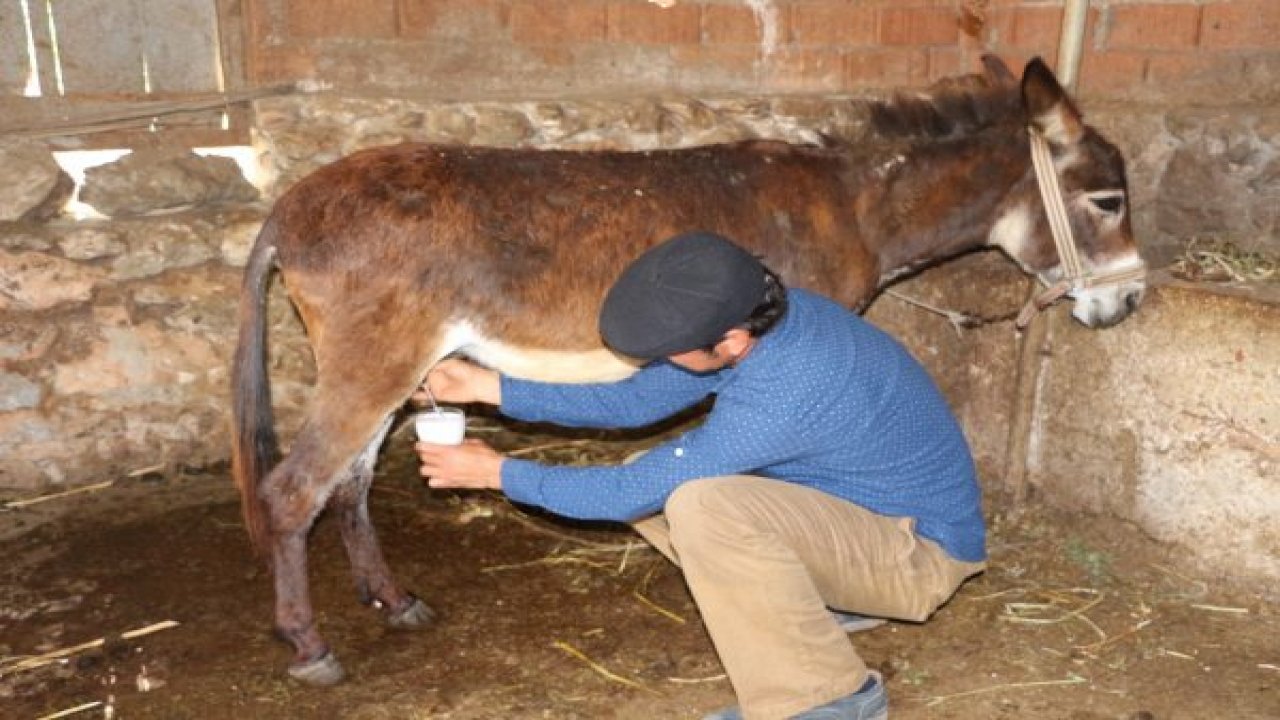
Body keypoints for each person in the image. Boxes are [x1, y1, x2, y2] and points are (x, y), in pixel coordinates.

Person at [415, 231, 987, 720]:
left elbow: (624, 497)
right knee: (661, 479)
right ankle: (820, 605)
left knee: (702, 506)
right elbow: (634, 404)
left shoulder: (786, 387)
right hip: (864, 518)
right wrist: (491, 388)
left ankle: (827, 699)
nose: (659, 361)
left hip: (918, 552)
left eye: (670, 350)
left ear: (729, 342)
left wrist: (498, 473)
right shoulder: (768, 322)